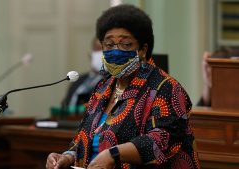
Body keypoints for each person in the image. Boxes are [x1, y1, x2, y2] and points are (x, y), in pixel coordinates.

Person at [46, 4, 200, 169]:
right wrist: (67, 156)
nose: (116, 51)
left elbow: (161, 141)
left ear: (142, 49)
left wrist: (114, 154)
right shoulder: (102, 87)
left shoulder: (165, 88)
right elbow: (84, 138)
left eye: (126, 44)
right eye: (109, 44)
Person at [61, 38, 103, 115]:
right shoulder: (78, 79)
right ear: (90, 54)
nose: (101, 54)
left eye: (104, 50)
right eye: (98, 49)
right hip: (68, 124)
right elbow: (65, 105)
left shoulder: (111, 82)